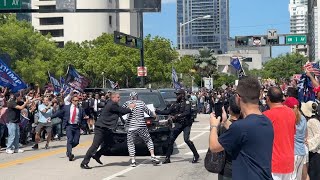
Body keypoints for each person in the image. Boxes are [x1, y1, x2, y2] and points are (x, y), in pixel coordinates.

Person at [209, 76, 274, 180]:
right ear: (260, 95)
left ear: (238, 98)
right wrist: (225, 122)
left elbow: (214, 147)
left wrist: (213, 125)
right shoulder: (266, 122)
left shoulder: (241, 126)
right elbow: (245, 134)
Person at [80, 92, 135, 169]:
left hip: (106, 128)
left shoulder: (113, 105)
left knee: (110, 143)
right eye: (118, 97)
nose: (119, 99)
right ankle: (84, 163)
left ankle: (97, 155)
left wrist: (128, 110)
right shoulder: (112, 104)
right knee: (95, 146)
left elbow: (119, 113)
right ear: (113, 98)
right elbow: (122, 111)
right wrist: (130, 108)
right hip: (100, 128)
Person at [156, 89, 199, 164]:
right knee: (171, 140)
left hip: (186, 124)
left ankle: (196, 155)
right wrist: (157, 111)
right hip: (178, 124)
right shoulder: (175, 104)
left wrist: (176, 116)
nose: (177, 96)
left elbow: (187, 112)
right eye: (176, 94)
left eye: (178, 94)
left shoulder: (187, 103)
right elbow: (167, 111)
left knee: (186, 139)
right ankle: (167, 158)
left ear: (182, 95)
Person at [264, 87, 296, 180]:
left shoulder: (266, 115)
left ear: (268, 99)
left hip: (274, 163)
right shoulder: (291, 113)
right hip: (289, 161)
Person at [122, 92, 160, 167]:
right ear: (137, 97)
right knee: (148, 140)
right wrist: (154, 115)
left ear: (130, 97)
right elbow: (148, 112)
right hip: (141, 126)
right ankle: (153, 156)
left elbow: (122, 111)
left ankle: (133, 161)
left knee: (130, 143)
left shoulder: (127, 103)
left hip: (131, 127)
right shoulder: (141, 103)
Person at [51, 95, 88, 161]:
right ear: (71, 101)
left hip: (77, 126)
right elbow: (59, 113)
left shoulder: (80, 109)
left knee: (76, 142)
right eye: (75, 100)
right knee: (70, 139)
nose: (76, 102)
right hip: (69, 126)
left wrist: (85, 117)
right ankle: (70, 154)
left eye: (77, 100)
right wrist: (51, 117)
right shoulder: (67, 107)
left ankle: (68, 149)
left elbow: (83, 116)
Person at [283, 97, 307, 180]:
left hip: (294, 152)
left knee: (291, 178)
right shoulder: (303, 118)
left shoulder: (290, 118)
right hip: (302, 152)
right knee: (298, 178)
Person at [218, 95, 241, 180]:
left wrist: (213, 126)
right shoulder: (248, 125)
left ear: (229, 109)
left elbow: (214, 147)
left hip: (227, 170)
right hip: (244, 169)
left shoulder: (223, 127)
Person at [300, 101, 320, 180]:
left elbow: (318, 136)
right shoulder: (313, 120)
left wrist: (308, 143)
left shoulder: (312, 121)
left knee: (314, 176)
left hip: (315, 154)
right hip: (314, 153)